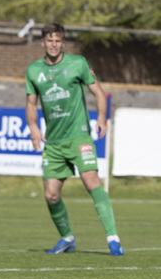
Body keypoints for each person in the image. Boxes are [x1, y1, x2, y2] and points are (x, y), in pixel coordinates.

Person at [25, 22, 123, 256]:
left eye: (58, 41)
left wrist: (102, 117)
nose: (54, 45)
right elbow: (31, 102)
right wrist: (33, 127)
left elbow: (98, 92)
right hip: (54, 142)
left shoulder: (78, 63)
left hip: (79, 137)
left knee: (92, 183)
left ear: (63, 43)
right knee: (51, 194)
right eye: (50, 41)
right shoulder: (33, 70)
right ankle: (67, 238)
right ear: (43, 43)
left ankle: (113, 238)